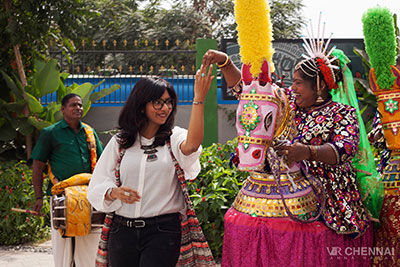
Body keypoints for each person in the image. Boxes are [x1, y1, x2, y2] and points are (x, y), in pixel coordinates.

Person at [203, 44, 374, 265]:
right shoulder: (288, 101)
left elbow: (344, 150)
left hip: (326, 187)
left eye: (298, 83)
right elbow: (247, 90)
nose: (293, 87)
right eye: (293, 82)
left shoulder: (342, 113)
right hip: (280, 181)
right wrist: (225, 62)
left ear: (319, 86)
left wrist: (308, 152)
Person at [87, 64, 214, 267]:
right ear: (141, 105)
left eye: (168, 102)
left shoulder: (174, 138)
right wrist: (114, 192)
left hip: (162, 232)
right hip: (122, 231)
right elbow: (98, 183)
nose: (165, 108)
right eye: (157, 102)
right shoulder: (121, 142)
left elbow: (192, 145)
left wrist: (199, 98)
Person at [31, 93, 104, 267]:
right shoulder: (50, 133)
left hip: (88, 196)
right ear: (63, 109)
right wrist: (39, 197)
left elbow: (102, 164)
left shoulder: (89, 132)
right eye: (73, 105)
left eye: (80, 105)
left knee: (88, 242)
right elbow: (38, 166)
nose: (78, 108)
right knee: (63, 245)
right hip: (61, 197)